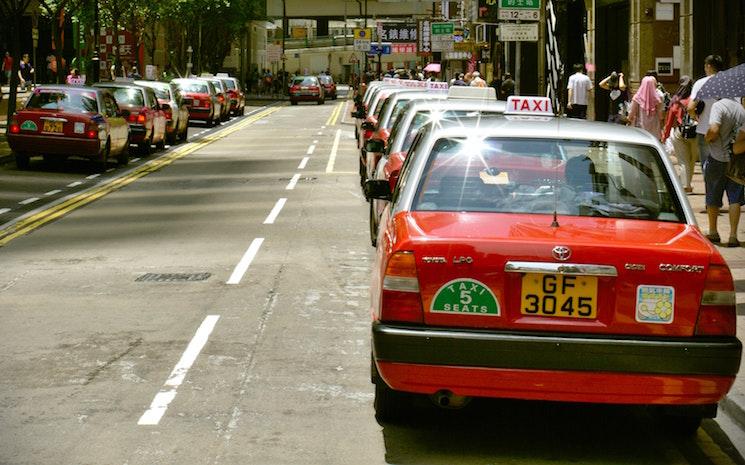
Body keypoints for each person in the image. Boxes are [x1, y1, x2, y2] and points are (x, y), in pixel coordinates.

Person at [702, 98, 745, 247]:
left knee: (713, 195)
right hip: (736, 160)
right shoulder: (741, 109)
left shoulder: (718, 106)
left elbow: (714, 130)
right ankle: (733, 235)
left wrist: (707, 138)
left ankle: (713, 232)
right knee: (735, 198)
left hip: (717, 157)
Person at [661, 76, 698, 192]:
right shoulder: (695, 99)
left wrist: (665, 136)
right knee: (692, 159)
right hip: (696, 132)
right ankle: (688, 183)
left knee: (683, 160)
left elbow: (669, 121)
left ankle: (685, 185)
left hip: (680, 132)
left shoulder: (676, 100)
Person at [688, 55, 724, 166]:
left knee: (706, 166)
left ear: (708, 66)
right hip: (724, 131)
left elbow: (690, 107)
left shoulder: (700, 83)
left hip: (704, 129)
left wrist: (694, 116)